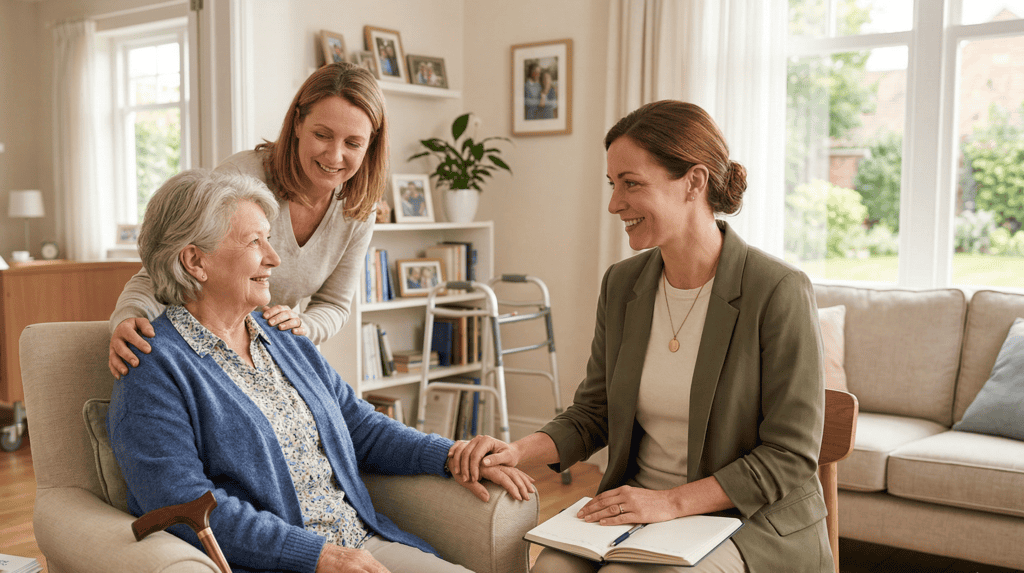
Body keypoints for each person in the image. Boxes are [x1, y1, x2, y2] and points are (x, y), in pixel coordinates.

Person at [450, 101, 831, 572]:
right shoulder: (623, 284)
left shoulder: (776, 290)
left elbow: (789, 456)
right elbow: (595, 414)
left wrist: (670, 503)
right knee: (548, 569)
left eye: (631, 184)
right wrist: (516, 451)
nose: (614, 203)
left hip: (745, 521)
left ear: (694, 182)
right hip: (634, 510)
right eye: (613, 185)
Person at [107, 169, 535, 573]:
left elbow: (361, 427)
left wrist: (451, 454)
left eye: (270, 239)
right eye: (256, 242)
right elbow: (181, 504)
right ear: (195, 262)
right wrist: (316, 555)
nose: (274, 258)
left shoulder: (283, 336)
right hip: (285, 562)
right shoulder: (152, 366)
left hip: (359, 544)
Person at [108, 62, 386, 379]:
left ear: (370, 144)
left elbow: (334, 304)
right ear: (297, 123)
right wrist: (130, 316)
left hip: (272, 353)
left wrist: (302, 324)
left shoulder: (359, 208)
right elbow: (164, 265)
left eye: (353, 143)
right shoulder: (240, 180)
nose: (335, 156)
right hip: (200, 354)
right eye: (322, 135)